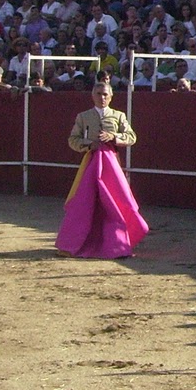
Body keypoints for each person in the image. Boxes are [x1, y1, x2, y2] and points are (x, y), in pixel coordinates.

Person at [56, 75, 148, 259]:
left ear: (111, 96)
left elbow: (132, 137)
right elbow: (72, 140)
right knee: (86, 202)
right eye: (98, 94)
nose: (102, 97)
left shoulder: (119, 115)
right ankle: (76, 243)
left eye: (105, 94)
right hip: (90, 164)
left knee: (114, 200)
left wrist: (114, 138)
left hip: (111, 165)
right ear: (92, 96)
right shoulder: (83, 117)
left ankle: (118, 244)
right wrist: (90, 144)